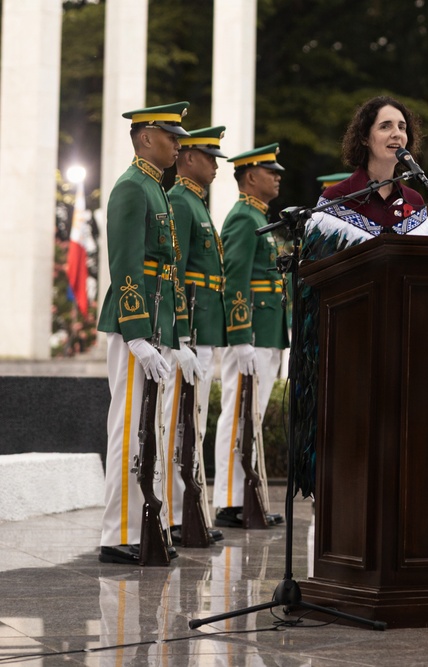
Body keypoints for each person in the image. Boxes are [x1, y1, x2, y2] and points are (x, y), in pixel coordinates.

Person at [295, 95, 428, 498]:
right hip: (349, 349)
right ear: (365, 137)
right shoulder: (336, 200)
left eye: (402, 127)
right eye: (386, 126)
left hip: (402, 347)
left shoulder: (416, 204)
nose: (396, 134)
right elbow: (313, 288)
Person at [96, 101, 191, 564]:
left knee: (145, 430)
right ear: (145, 136)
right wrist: (135, 331)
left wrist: (176, 334)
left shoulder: (156, 188)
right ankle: (118, 532)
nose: (178, 143)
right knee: (129, 429)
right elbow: (126, 263)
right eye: (170, 135)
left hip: (157, 325)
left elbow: (167, 271)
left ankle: (139, 527)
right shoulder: (133, 188)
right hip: (136, 324)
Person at [213, 143, 289, 527]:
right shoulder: (244, 218)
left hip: (267, 331)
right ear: (250, 177)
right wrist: (240, 334)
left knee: (252, 415)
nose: (277, 177)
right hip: (253, 333)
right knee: (238, 413)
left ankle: (248, 496)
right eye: (270, 171)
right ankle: (229, 500)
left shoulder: (259, 217)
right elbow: (235, 278)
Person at [162, 126, 229, 543]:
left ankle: (189, 511)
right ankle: (170, 513)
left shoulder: (196, 203)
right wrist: (181, 334)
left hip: (204, 328)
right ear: (188, 158)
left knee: (196, 422)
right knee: (177, 423)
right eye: (209, 157)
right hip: (189, 330)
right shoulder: (182, 203)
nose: (215, 165)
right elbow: (176, 274)